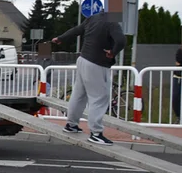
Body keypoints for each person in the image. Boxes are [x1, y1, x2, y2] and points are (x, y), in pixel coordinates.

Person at [51, 11, 126, 145]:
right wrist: (113, 52)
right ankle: (96, 133)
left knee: (79, 94)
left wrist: (61, 38)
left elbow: (76, 30)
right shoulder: (113, 22)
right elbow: (121, 40)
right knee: (99, 97)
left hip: (82, 59)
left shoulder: (93, 18)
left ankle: (71, 125)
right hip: (97, 63)